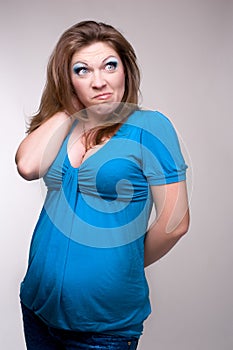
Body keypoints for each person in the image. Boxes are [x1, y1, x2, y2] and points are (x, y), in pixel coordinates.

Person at [15, 20, 190, 350]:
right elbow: (27, 166)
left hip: (102, 325)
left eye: (110, 65)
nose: (99, 82)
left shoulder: (149, 127)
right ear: (67, 80)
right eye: (82, 71)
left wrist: (121, 261)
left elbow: (175, 223)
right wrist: (70, 106)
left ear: (125, 69)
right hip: (37, 307)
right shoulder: (65, 126)